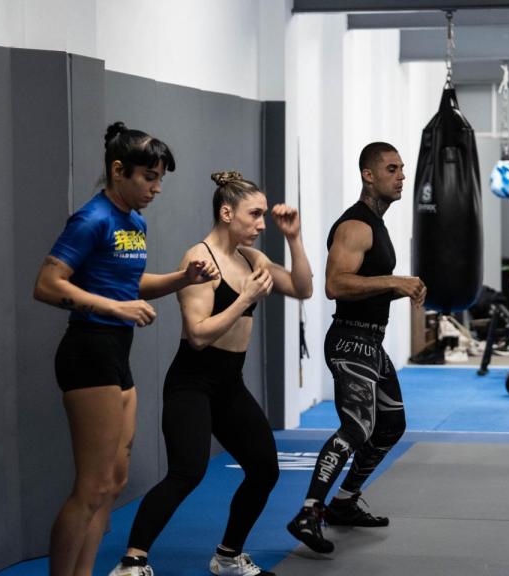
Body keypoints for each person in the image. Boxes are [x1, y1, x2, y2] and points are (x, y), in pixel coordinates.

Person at [33, 122, 219, 576]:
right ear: (119, 171)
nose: (156, 188)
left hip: (117, 352)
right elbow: (47, 284)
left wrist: (181, 279)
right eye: (149, 178)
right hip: (88, 350)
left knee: (114, 482)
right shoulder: (91, 219)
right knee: (91, 486)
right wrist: (113, 308)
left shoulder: (135, 223)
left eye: (161, 180)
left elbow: (129, 283)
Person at [113, 171, 312, 576]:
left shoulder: (250, 258)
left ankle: (228, 555)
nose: (261, 224)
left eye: (263, 216)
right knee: (187, 471)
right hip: (193, 380)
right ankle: (132, 560)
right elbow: (199, 334)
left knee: (264, 469)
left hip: (229, 383)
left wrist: (293, 237)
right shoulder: (199, 260)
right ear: (226, 212)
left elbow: (303, 287)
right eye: (254, 215)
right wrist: (246, 298)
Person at [286, 142, 425, 554]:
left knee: (390, 426)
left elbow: (367, 284)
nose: (401, 176)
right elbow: (336, 285)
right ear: (368, 174)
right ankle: (309, 512)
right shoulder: (356, 226)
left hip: (370, 342)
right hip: (349, 340)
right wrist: (394, 281)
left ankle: (344, 502)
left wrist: (404, 288)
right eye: (392, 168)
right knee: (357, 427)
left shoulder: (376, 226)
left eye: (402, 169)